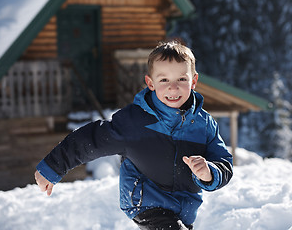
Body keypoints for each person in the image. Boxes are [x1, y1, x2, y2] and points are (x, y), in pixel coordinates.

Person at [34, 40, 233, 230]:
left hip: (186, 209)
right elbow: (92, 139)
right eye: (164, 80)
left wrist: (209, 172)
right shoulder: (135, 121)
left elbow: (224, 162)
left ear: (194, 81)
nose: (173, 87)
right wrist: (53, 166)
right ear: (150, 83)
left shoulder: (204, 125)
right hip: (145, 201)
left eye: (182, 79)